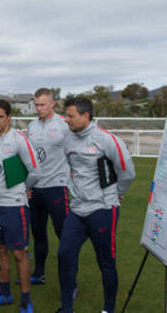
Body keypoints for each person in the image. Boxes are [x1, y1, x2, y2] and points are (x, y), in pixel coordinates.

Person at [55, 97, 135, 313]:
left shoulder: (106, 139)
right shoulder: (68, 139)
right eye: (66, 115)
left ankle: (108, 309)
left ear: (85, 116)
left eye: (71, 116)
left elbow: (127, 171)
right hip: (77, 210)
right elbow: (72, 168)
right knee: (64, 254)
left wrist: (114, 194)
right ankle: (66, 307)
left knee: (106, 261)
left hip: (102, 210)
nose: (66, 120)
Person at [0, 99, 39, 313]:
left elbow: (35, 170)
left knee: (19, 253)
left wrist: (24, 188)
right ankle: (5, 293)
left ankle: (26, 299)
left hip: (14, 205)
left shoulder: (18, 140)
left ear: (9, 117)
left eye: (0, 117)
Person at [27, 88, 70, 284]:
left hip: (57, 187)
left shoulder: (64, 125)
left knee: (64, 235)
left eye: (43, 104)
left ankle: (70, 281)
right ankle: (39, 273)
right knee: (38, 233)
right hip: (35, 189)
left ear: (53, 103)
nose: (39, 108)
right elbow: (28, 158)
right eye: (36, 104)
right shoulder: (32, 126)